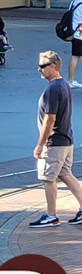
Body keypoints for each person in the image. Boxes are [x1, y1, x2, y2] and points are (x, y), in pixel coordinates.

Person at [30, 51, 82, 228]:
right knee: (65, 174)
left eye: (43, 66)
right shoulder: (64, 84)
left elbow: (49, 119)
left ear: (53, 66)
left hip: (54, 143)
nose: (39, 69)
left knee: (48, 178)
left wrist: (40, 144)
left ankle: (51, 215)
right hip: (66, 140)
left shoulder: (53, 89)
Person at [66, 0, 82, 88]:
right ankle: (70, 81)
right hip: (80, 34)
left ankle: (70, 80)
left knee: (76, 56)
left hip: (74, 34)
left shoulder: (73, 3)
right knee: (76, 57)